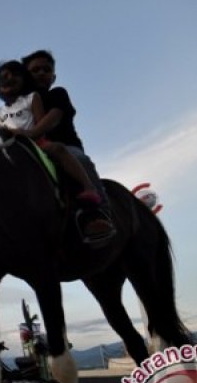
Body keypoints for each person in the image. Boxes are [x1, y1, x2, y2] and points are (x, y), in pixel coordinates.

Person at [6, 50, 115, 245]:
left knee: (79, 159)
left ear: (53, 76)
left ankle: (99, 214)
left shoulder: (57, 94)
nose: (41, 73)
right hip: (31, 149)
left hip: (64, 146)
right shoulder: (19, 106)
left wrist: (31, 134)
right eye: (35, 70)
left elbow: (54, 118)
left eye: (46, 70)